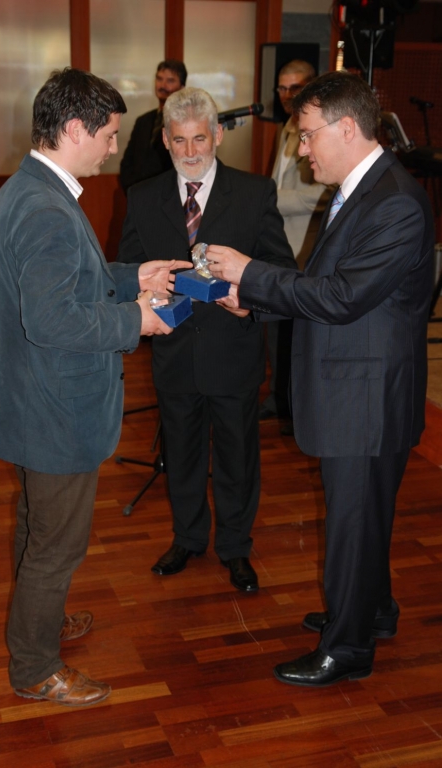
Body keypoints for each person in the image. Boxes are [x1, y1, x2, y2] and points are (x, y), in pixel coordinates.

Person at [207, 71, 434, 686]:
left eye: (307, 136)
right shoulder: (363, 190)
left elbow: (341, 297)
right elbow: (322, 287)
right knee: (363, 516)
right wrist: (255, 302)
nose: (301, 149)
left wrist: (250, 273)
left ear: (347, 128)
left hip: (367, 398)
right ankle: (371, 610)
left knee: (354, 521)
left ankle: (348, 648)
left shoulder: (395, 202)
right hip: (359, 387)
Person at [0, 67, 191, 707]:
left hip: (31, 398)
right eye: (109, 135)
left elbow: (69, 279)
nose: (113, 148)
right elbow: (52, 319)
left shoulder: (28, 188)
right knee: (57, 544)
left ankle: (39, 621)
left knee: (37, 525)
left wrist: (132, 276)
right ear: (75, 129)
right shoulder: (46, 208)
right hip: (56, 408)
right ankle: (35, 666)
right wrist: (137, 320)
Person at [117, 87, 295, 592]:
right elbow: (127, 267)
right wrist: (146, 293)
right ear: (165, 141)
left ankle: (235, 547)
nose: (191, 151)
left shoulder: (255, 192)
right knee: (182, 455)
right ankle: (188, 538)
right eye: (179, 141)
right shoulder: (143, 196)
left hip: (234, 349)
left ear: (218, 134)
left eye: (200, 138)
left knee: (238, 457)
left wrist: (249, 301)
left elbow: (280, 269)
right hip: (174, 353)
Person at [260, 59, 331, 428]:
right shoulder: (284, 128)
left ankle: (297, 408)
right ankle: (279, 399)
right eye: (282, 88)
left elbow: (322, 194)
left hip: (306, 245)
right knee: (275, 329)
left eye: (295, 88)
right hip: (278, 244)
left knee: (299, 334)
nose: (287, 95)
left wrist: (268, 199)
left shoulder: (318, 131)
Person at [119, 59, 187, 192]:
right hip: (138, 194)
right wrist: (132, 190)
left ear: (182, 87)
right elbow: (127, 163)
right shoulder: (142, 121)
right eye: (159, 79)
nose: (163, 85)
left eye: (170, 81)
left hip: (169, 195)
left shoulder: (185, 122)